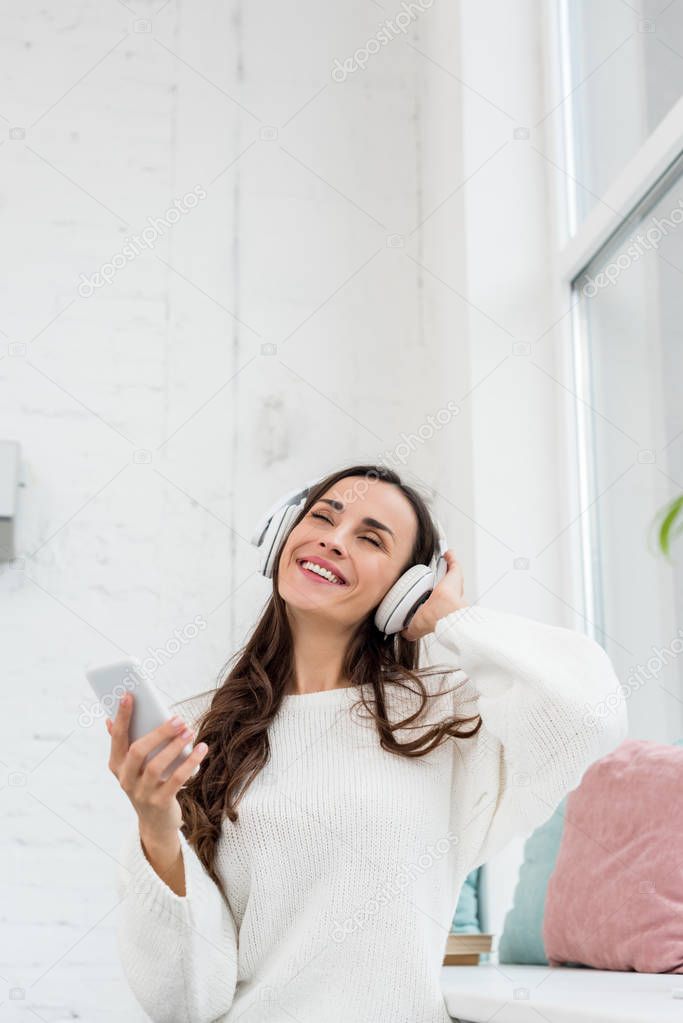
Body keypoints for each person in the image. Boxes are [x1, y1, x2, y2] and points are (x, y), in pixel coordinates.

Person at [107, 463, 628, 1023]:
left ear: (406, 589)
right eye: (323, 517)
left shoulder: (446, 717)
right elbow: (185, 1001)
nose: (332, 539)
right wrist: (155, 822)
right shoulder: (201, 727)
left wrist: (451, 619)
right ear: (283, 534)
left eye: (370, 538)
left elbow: (588, 715)